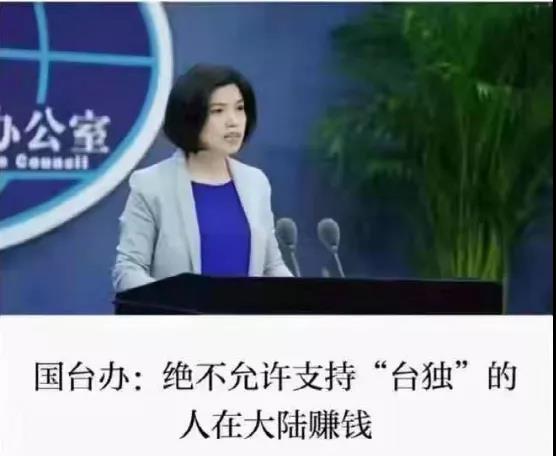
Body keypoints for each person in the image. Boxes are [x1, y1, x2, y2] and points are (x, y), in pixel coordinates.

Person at [112, 63, 292, 292]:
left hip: (247, 316)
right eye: (218, 111)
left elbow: (271, 266)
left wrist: (303, 299)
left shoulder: (255, 183)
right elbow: (129, 269)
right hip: (179, 314)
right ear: (190, 117)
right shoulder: (151, 185)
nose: (233, 121)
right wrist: (172, 304)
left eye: (239, 108)